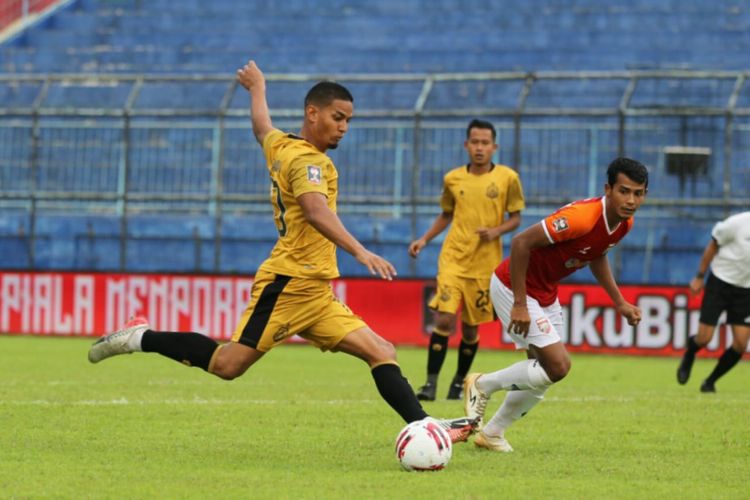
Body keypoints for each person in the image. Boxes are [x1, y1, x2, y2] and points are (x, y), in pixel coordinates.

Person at [88, 60, 477, 442]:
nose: (343, 127)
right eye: (337, 117)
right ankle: (141, 337)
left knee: (380, 350)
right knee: (228, 364)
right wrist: (361, 252)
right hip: (289, 284)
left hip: (316, 291)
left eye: (348, 120)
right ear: (313, 113)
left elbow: (262, 128)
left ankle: (426, 427)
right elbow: (314, 209)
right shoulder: (309, 161)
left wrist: (258, 88)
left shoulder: (283, 146)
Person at [463, 157, 649, 452]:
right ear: (608, 189)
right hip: (514, 285)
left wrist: (620, 302)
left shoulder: (624, 223)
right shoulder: (582, 217)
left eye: (638, 193)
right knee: (558, 365)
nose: (630, 200)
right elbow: (522, 242)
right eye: (624, 191)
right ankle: (482, 384)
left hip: (545, 292)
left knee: (544, 373)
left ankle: (493, 433)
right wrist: (520, 304)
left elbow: (597, 254)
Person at [409, 119, 525, 401]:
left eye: (485, 143)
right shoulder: (453, 178)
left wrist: (496, 231)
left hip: (485, 265)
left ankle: (459, 382)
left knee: (471, 328)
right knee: (445, 319)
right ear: (466, 145)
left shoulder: (508, 178)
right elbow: (446, 214)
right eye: (475, 142)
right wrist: (424, 239)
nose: (479, 148)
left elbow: (516, 218)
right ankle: (430, 384)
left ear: (494, 147)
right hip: (453, 259)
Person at [676, 211, 750, 393]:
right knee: (704, 339)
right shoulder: (737, 223)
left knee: (740, 345)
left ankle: (709, 382)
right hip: (720, 283)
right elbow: (712, 246)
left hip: (745, 290)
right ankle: (690, 354)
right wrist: (700, 277)